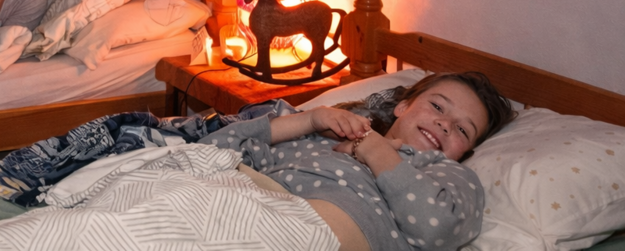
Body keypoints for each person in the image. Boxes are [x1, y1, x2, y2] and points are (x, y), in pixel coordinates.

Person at [196, 71, 515, 251]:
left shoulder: (446, 175)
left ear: (466, 153)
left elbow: (437, 229)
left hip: (310, 234)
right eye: (437, 106)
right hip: (231, 202)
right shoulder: (328, 133)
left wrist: (374, 149)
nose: (445, 124)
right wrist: (309, 120)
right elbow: (211, 150)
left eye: (463, 130)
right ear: (402, 107)